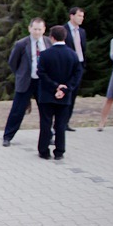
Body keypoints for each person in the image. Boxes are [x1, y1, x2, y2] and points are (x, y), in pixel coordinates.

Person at [2, 18, 51, 147]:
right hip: (26, 81)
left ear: (44, 29)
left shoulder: (48, 42)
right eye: (35, 29)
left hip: (42, 82)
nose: (37, 32)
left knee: (46, 111)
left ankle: (48, 136)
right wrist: (20, 74)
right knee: (17, 110)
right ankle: (7, 136)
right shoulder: (21, 44)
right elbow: (13, 62)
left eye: (39, 29)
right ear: (30, 29)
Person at [37, 25, 83, 160]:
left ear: (52, 37)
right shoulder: (73, 55)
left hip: (47, 94)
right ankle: (59, 151)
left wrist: (54, 86)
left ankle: (44, 150)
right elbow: (77, 74)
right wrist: (65, 88)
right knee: (61, 124)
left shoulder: (45, 54)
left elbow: (41, 73)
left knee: (45, 123)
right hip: (65, 95)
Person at [62, 6, 86, 131]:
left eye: (82, 16)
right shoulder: (63, 30)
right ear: (71, 16)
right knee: (66, 93)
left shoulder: (82, 32)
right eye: (79, 16)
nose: (81, 18)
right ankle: (59, 122)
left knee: (74, 95)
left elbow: (83, 48)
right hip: (67, 67)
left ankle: (66, 122)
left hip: (79, 65)